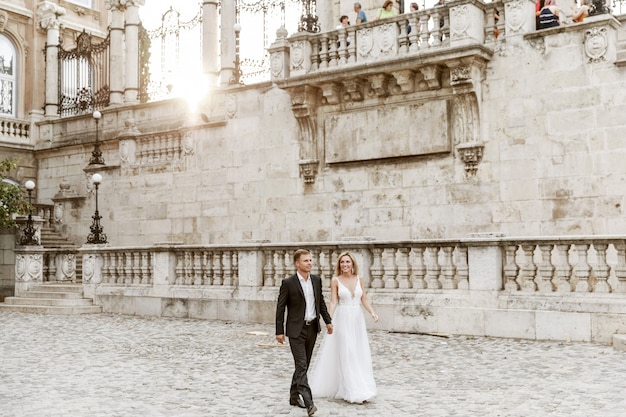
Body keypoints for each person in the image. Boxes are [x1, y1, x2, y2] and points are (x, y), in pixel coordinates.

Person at [308, 252, 378, 404]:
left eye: (347, 262)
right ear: (339, 265)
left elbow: (363, 298)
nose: (345, 265)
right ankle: (351, 389)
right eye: (342, 262)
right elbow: (333, 301)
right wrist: (329, 320)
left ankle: (360, 385)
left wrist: (372, 313)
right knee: (347, 352)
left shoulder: (360, 278)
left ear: (353, 264)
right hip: (342, 318)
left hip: (357, 319)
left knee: (358, 351)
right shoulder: (335, 280)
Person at [276, 249, 333, 417]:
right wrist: (279, 331)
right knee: (301, 365)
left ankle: (294, 396)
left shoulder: (316, 280)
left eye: (310, 260)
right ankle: (309, 403)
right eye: (306, 261)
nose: (310, 263)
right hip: (295, 330)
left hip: (312, 328)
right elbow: (280, 308)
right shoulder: (288, 283)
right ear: (297, 263)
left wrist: (328, 321)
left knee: (304, 365)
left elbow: (320, 302)